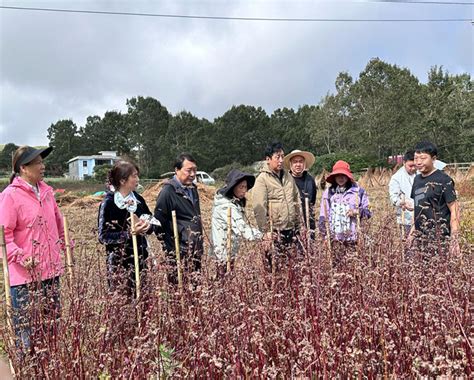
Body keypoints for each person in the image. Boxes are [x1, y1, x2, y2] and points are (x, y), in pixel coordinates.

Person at [0, 146, 65, 348]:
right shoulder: (10, 196)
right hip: (24, 278)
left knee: (51, 333)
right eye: (37, 162)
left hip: (51, 272)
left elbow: (58, 222)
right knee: (26, 336)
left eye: (41, 161)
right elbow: (3, 235)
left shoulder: (47, 192)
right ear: (23, 168)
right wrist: (21, 256)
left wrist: (65, 246)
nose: (42, 166)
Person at [98, 160, 157, 297]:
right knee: (123, 301)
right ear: (123, 180)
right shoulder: (109, 203)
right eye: (134, 176)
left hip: (141, 259)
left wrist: (147, 226)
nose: (137, 179)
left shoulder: (138, 199)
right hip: (119, 263)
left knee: (143, 299)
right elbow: (103, 236)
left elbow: (151, 221)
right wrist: (128, 234)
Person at [154, 153, 203, 283]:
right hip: (179, 251)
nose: (193, 174)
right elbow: (158, 223)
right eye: (188, 170)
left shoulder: (193, 189)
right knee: (179, 289)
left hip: (195, 249)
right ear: (177, 170)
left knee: (195, 288)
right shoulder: (168, 192)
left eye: (194, 170)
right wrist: (172, 249)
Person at [210, 169, 264, 277]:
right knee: (224, 279)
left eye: (245, 187)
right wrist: (262, 236)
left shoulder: (233, 203)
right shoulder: (225, 206)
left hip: (229, 250)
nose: (244, 191)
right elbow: (241, 228)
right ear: (232, 187)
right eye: (241, 187)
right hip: (223, 251)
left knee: (227, 278)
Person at [410, 141, 460, 256]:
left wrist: (454, 240)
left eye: (423, 158)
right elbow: (417, 209)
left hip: (439, 239)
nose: (418, 162)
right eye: (416, 158)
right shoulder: (417, 180)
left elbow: (455, 210)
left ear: (433, 159)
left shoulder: (444, 180)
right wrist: (412, 234)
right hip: (420, 239)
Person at [319, 160, 371, 263]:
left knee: (353, 264)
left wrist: (357, 212)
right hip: (335, 238)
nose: (341, 178)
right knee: (336, 265)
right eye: (338, 175)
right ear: (334, 177)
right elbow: (323, 215)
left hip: (353, 237)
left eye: (343, 175)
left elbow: (368, 211)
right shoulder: (328, 193)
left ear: (348, 176)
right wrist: (324, 235)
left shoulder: (358, 192)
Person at [284, 149, 317, 232]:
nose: (298, 164)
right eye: (295, 162)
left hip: (308, 222)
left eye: (301, 161)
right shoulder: (285, 181)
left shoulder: (310, 180)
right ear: (290, 164)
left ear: (304, 164)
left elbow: (313, 200)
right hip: (291, 223)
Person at [388, 150, 416, 235]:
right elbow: (393, 198)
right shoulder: (396, 178)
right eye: (410, 166)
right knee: (408, 244)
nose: (413, 168)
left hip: (421, 217)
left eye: (415, 165)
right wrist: (402, 203)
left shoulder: (420, 174)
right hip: (406, 219)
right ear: (404, 162)